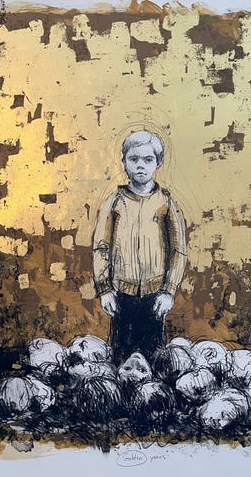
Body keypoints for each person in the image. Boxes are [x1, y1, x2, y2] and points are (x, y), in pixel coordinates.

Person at [92, 130, 187, 365]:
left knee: (155, 359)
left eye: (148, 159)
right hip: (121, 295)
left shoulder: (166, 202)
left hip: (155, 296)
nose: (140, 166)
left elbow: (178, 250)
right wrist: (104, 289)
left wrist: (168, 291)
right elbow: (101, 247)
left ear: (158, 162)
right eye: (134, 159)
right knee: (121, 357)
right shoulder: (115, 201)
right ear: (124, 161)